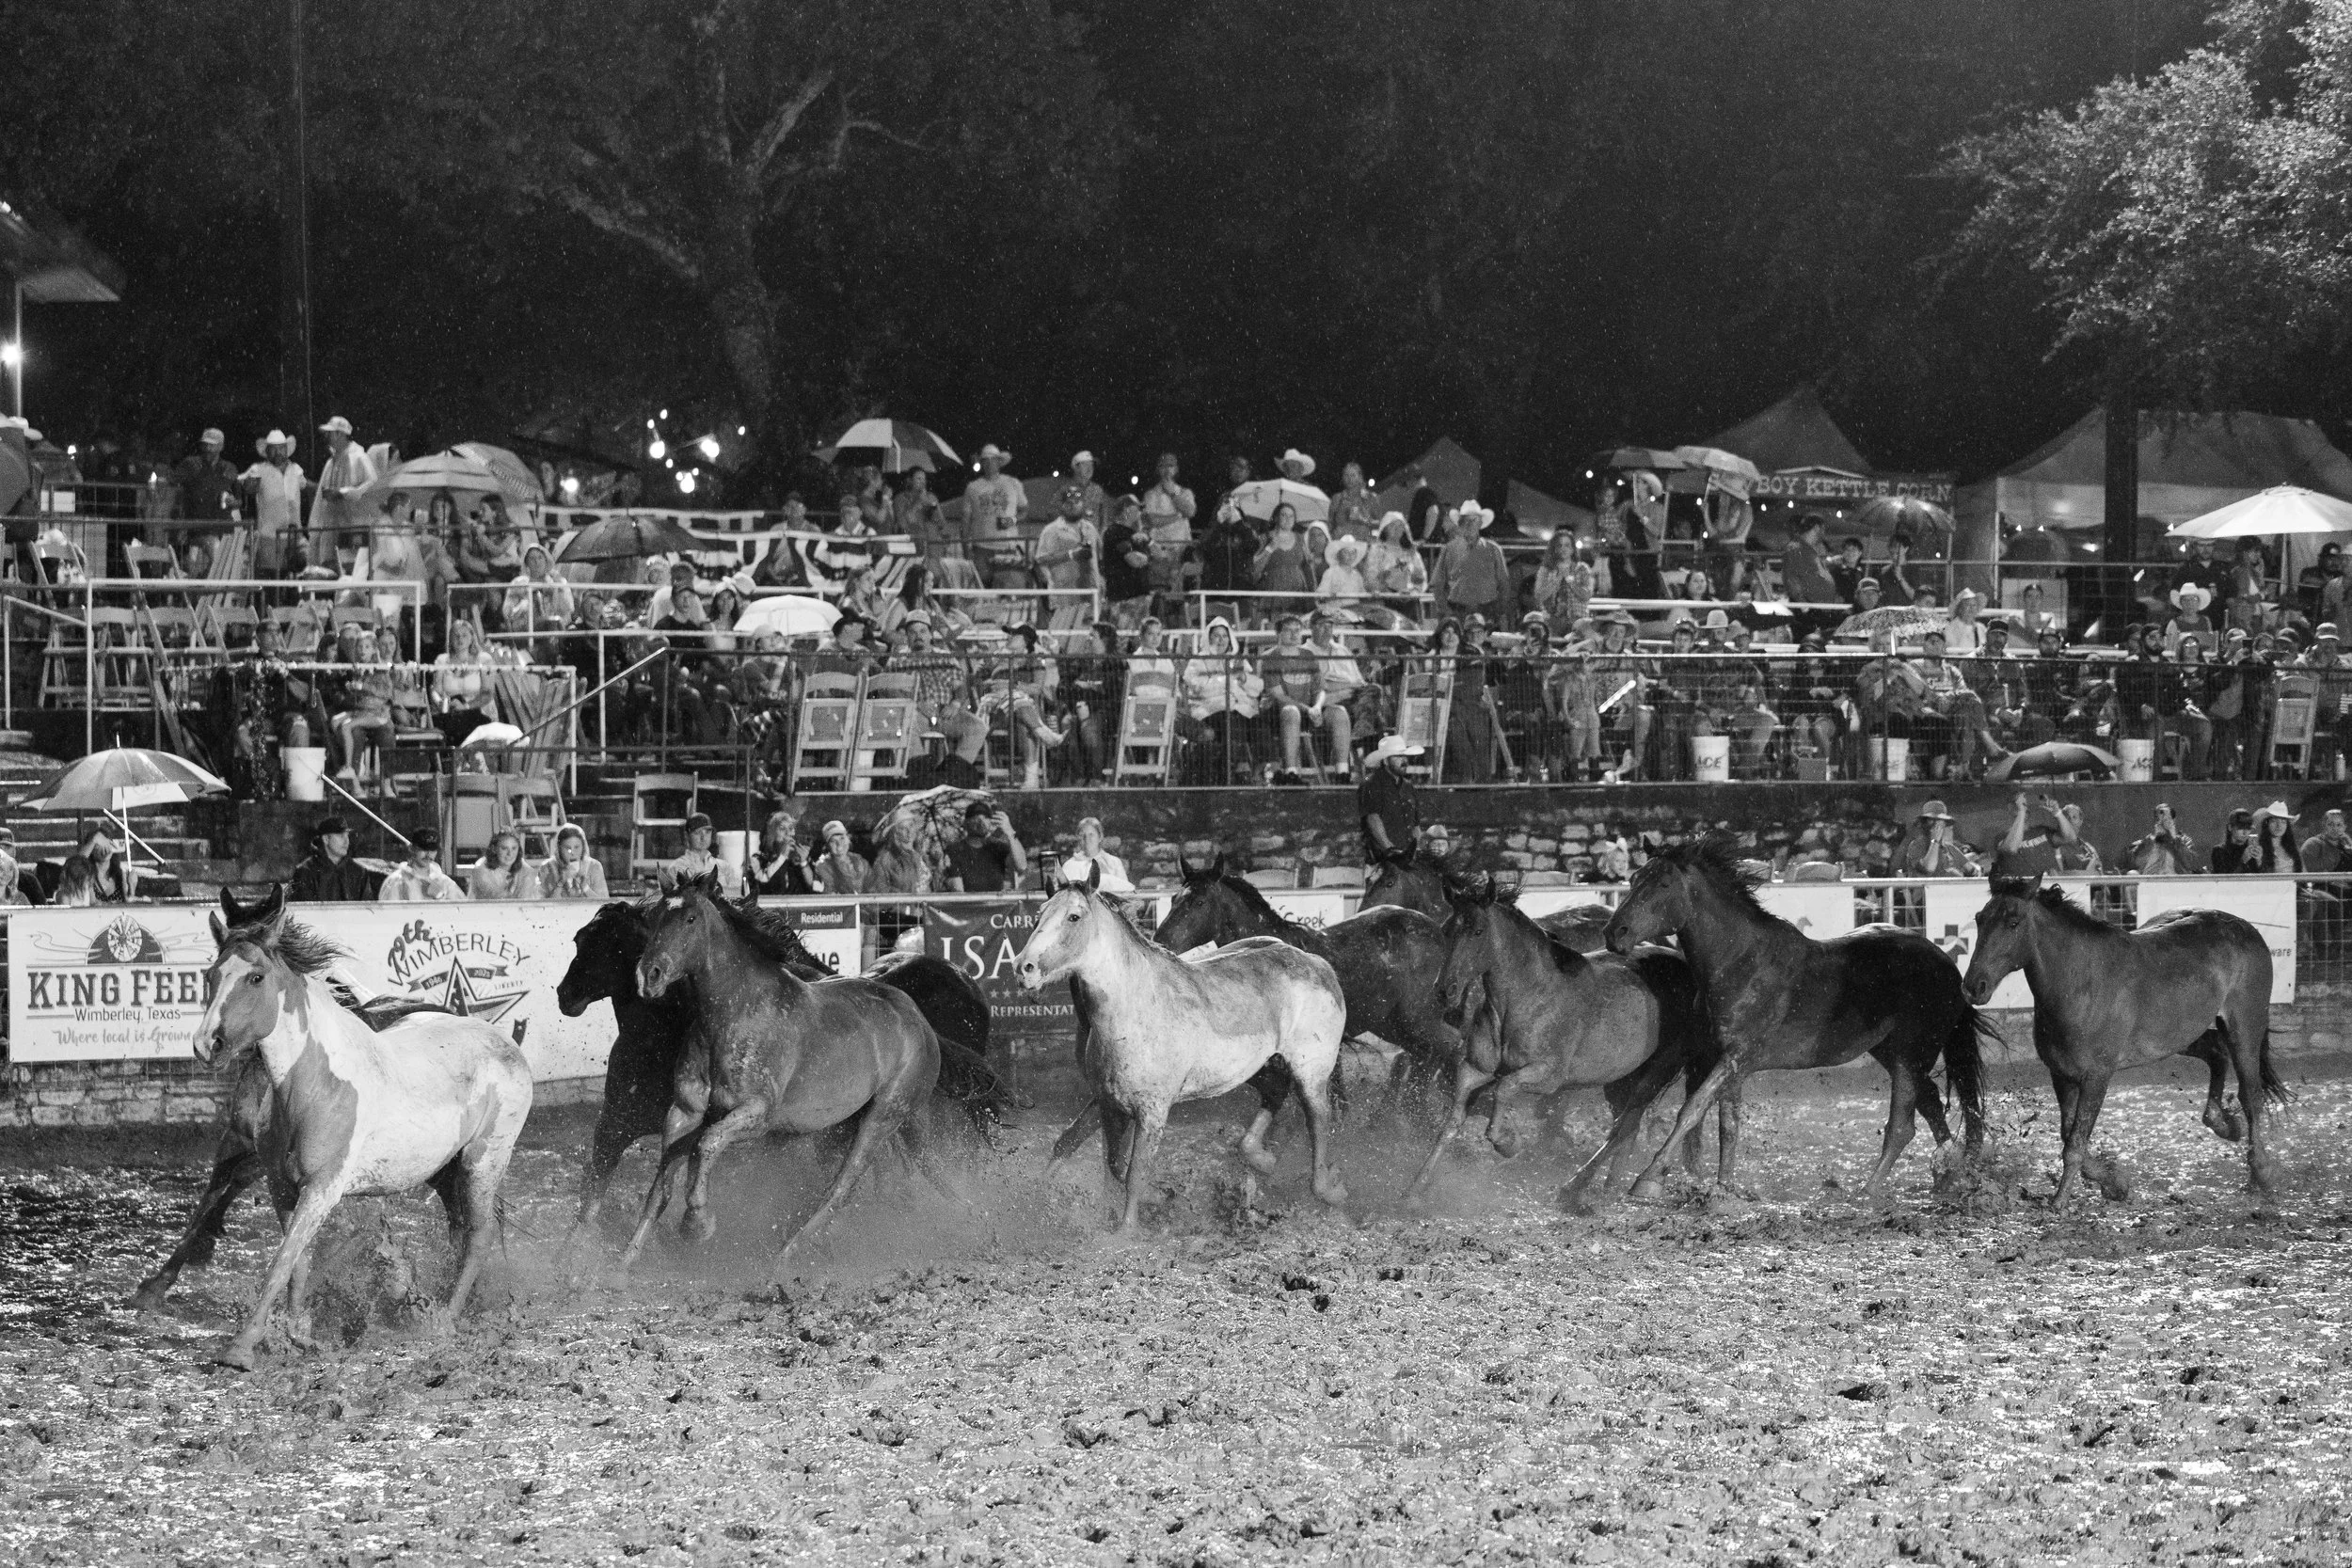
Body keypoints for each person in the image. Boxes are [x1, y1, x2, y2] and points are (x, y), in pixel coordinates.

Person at [310, 416, 378, 567]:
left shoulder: (359, 457)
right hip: (333, 526)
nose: (327, 437)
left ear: (340, 434)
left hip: (353, 526)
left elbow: (372, 485)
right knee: (332, 568)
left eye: (331, 433)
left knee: (351, 568)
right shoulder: (332, 461)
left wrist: (343, 493)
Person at [1430, 501, 1511, 626]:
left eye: (1474, 520)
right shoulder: (1449, 549)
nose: (1470, 524)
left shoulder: (1494, 549)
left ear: (1480, 523)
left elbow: (1504, 583)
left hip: (1487, 612)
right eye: (1465, 521)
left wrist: (1498, 612)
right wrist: (1446, 612)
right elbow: (1437, 584)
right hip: (1457, 611)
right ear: (1460, 524)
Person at [241, 429, 308, 576]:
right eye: (274, 449)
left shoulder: (296, 469)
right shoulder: (258, 469)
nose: (278, 453)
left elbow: (305, 485)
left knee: (297, 576)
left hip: (294, 533)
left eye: (281, 448)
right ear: (267, 451)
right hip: (269, 535)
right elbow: (246, 486)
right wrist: (250, 483)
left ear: (286, 450)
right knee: (272, 577)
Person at [1034, 483, 1098, 630]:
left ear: (1083, 504)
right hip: (1063, 593)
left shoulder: (1089, 528)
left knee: (1085, 637)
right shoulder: (1051, 530)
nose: (1073, 506)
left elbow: (1097, 558)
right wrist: (1071, 554)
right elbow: (1041, 559)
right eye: (1068, 503)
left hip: (1088, 592)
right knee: (1062, 639)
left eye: (1077, 502)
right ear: (1062, 505)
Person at [1141, 451, 1198, 618]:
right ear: (1158, 469)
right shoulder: (1151, 494)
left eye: (1171, 466)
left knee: (1181, 597)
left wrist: (1173, 494)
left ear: (1176, 469)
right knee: (1159, 595)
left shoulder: (1185, 492)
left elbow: (1190, 511)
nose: (1167, 470)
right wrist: (1177, 516)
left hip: (1181, 552)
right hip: (1159, 553)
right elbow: (1151, 520)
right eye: (1163, 466)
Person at [963, 443, 1027, 586]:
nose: (990, 463)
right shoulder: (972, 487)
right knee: (981, 591)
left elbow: (1024, 511)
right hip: (981, 549)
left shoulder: (1013, 483)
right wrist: (965, 550)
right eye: (986, 460)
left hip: (1007, 548)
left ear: (999, 462)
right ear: (982, 463)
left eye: (993, 460)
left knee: (1009, 593)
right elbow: (965, 520)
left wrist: (1012, 520)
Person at [432, 615, 500, 746]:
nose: (460, 639)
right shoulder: (442, 660)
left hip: (479, 713)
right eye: (456, 636)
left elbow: (488, 693)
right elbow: (436, 690)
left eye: (464, 635)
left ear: (472, 638)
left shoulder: (484, 660)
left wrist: (466, 706)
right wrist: (441, 703)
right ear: (450, 639)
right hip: (453, 713)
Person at [1358, 733, 1422, 867]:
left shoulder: (1409, 787)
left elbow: (1415, 825)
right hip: (1382, 858)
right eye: (1398, 756)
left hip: (1406, 857)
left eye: (1404, 756)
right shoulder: (1372, 784)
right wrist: (1390, 849)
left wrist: (1415, 850)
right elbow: (1373, 819)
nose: (1404, 760)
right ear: (1386, 761)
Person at [1994, 792, 2093, 878]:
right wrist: (2021, 813)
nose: (2025, 806)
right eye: (2020, 803)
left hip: (2047, 892)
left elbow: (2070, 837)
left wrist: (2057, 813)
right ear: (2010, 807)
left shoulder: (2042, 830)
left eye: (2025, 804)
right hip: (2023, 893)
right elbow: (2011, 848)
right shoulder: (2002, 837)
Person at [944, 802, 1027, 893]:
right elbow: (957, 889)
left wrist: (1010, 832)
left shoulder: (998, 847)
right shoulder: (955, 850)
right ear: (966, 823)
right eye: (975, 818)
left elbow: (1022, 866)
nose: (981, 822)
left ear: (991, 822)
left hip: (997, 903)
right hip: (969, 905)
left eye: (985, 818)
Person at [1100, 494, 1154, 628]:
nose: (1140, 513)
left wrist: (1147, 541)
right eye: (1138, 508)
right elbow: (1134, 560)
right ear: (1126, 509)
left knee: (1139, 643)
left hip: (1138, 597)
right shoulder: (1114, 532)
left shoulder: (1136, 534)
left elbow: (1162, 554)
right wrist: (1148, 557)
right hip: (1123, 599)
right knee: (1120, 643)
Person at [292, 816, 376, 901]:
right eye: (340, 836)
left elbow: (367, 910)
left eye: (347, 836)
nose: (346, 841)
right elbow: (303, 911)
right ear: (326, 839)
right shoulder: (306, 871)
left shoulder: (358, 872)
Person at [175, 426, 241, 524]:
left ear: (221, 446)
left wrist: (232, 502)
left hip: (223, 525)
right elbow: (173, 488)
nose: (207, 448)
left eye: (212, 445)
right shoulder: (190, 464)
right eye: (205, 444)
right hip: (195, 526)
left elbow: (239, 501)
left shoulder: (230, 468)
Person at [665, 812, 742, 895]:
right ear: (687, 836)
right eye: (697, 833)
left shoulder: (724, 866)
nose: (703, 837)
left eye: (707, 832)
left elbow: (738, 894)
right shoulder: (677, 868)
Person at [379, 828, 466, 901]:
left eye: (432, 850)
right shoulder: (396, 881)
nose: (428, 855)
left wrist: (440, 896)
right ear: (411, 849)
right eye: (423, 849)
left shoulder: (445, 883)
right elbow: (387, 916)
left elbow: (465, 912)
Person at [1896, 800, 1975, 877]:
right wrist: (1935, 841)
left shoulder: (1950, 848)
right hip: (1926, 889)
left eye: (1941, 822)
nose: (1937, 827)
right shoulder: (1916, 846)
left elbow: (1972, 871)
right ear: (1925, 824)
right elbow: (1929, 868)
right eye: (1932, 821)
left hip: (1950, 889)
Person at [749, 807, 818, 895]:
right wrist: (782, 857)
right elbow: (762, 881)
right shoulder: (759, 859)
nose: (788, 833)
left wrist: (804, 863)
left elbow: (817, 888)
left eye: (791, 828)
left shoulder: (799, 859)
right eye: (782, 829)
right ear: (773, 833)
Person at [538, 822, 610, 899]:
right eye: (567, 848)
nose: (572, 853)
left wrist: (585, 887)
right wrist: (561, 883)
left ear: (583, 847)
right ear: (559, 849)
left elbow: (604, 904)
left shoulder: (594, 866)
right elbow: (542, 907)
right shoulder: (547, 867)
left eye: (577, 847)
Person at [1060, 816, 1132, 892]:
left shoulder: (1113, 863)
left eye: (1091, 835)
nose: (1087, 839)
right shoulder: (1070, 865)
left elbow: (1127, 893)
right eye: (1082, 835)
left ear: (1100, 837)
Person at [65, 828, 134, 903]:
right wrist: (94, 840)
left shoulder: (120, 875)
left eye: (108, 843)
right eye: (99, 845)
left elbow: (128, 905)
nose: (104, 848)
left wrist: (132, 888)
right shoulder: (88, 876)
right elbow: (74, 867)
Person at [2130, 802, 2200, 876]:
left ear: (2174, 821)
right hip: (2151, 883)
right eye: (2160, 819)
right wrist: (2154, 840)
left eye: (2168, 818)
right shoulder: (2145, 843)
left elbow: (2191, 865)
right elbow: (2135, 863)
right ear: (2155, 821)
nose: (2164, 822)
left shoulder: (2184, 842)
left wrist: (2173, 840)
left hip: (2177, 883)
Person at [469, 829, 533, 900]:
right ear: (494, 849)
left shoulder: (526, 870)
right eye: (504, 848)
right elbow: (498, 901)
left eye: (514, 848)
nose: (510, 854)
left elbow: (526, 902)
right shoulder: (481, 869)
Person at [811, 818, 870, 894]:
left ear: (848, 838)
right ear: (827, 846)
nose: (839, 844)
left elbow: (875, 888)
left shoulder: (861, 861)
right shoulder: (823, 867)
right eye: (833, 841)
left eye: (842, 838)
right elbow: (831, 895)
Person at [2247, 801, 2303, 874]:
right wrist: (2259, 861)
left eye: (2283, 821)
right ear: (2267, 824)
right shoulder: (2258, 848)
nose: (2279, 826)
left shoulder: (2294, 849)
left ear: (2287, 825)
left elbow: (2304, 875)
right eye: (2274, 821)